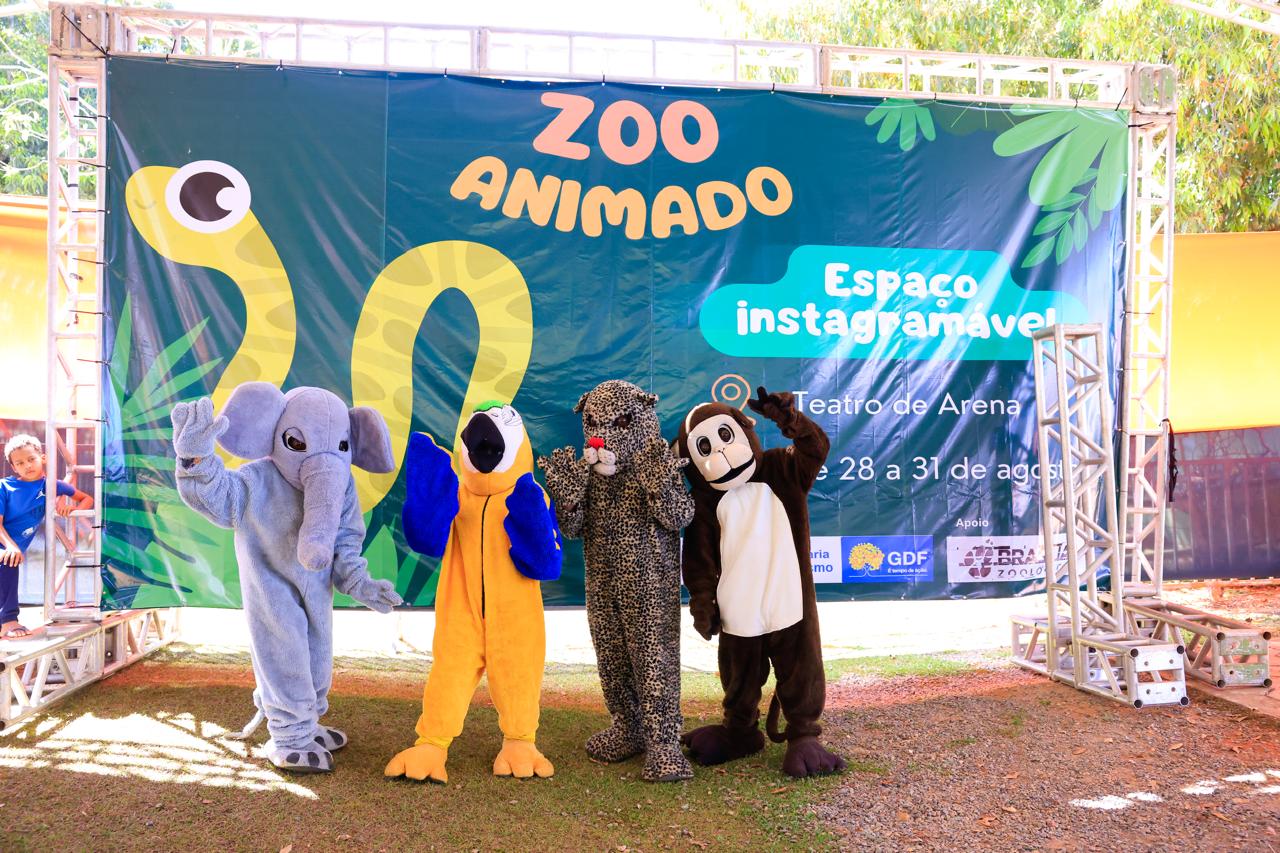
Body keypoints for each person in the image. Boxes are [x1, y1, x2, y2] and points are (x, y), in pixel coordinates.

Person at [0, 434, 92, 639]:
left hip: (9, 548)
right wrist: (11, 546)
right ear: (13, 468)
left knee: (7, 561)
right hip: (4, 543)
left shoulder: (52, 486)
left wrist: (70, 508)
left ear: (43, 458)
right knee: (8, 559)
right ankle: (8, 621)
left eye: (31, 459)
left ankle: (5, 621)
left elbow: (86, 499)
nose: (27, 466)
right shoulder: (4, 487)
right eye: (20, 463)